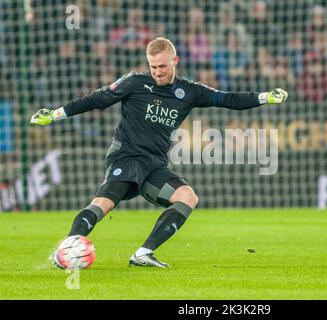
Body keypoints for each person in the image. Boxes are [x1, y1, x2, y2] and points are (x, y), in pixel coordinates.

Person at [30, 37, 288, 268]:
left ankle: (143, 254)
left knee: (187, 197)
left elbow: (229, 100)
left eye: (162, 66)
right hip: (127, 157)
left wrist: (266, 97)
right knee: (103, 204)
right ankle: (66, 250)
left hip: (154, 165)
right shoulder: (134, 82)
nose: (157, 72)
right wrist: (55, 115)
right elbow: (96, 99)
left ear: (175, 61)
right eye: (153, 66)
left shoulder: (189, 92)